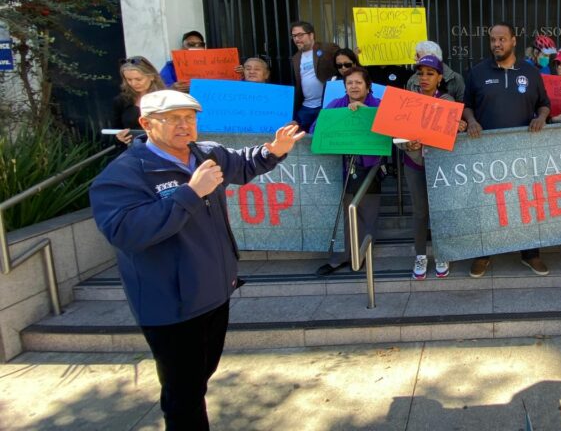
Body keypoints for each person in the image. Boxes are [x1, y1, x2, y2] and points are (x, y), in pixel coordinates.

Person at [89, 90, 304, 430]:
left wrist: (272, 151)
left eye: (189, 118)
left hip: (215, 293)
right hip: (170, 306)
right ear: (146, 124)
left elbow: (243, 163)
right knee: (183, 396)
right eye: (172, 119)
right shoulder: (123, 175)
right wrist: (190, 193)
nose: (183, 126)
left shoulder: (206, 153)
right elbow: (126, 233)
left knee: (199, 379)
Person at [463, 21, 552, 277]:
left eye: (502, 39)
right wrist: (471, 120)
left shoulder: (531, 72)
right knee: (487, 203)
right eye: (493, 40)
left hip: (523, 153)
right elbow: (467, 105)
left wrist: (541, 118)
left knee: (526, 202)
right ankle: (483, 254)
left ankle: (530, 254)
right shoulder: (478, 72)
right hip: (486, 153)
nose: (496, 44)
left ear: (514, 41)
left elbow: (545, 104)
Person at [312, 66, 384, 276]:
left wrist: (364, 114)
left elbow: (389, 132)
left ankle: (361, 255)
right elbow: (317, 129)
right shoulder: (336, 104)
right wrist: (344, 116)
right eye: (349, 83)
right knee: (346, 214)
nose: (353, 86)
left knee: (366, 213)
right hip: (342, 168)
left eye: (358, 82)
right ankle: (339, 258)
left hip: (370, 167)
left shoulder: (378, 106)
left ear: (368, 86)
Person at [400, 55, 467, 279]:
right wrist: (405, 143)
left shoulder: (448, 101)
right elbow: (396, 132)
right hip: (414, 163)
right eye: (421, 73)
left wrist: (460, 127)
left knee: (441, 210)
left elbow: (455, 134)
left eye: (430, 73)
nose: (424, 78)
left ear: (439, 78)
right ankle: (420, 255)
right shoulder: (407, 99)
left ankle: (442, 253)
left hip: (441, 166)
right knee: (420, 212)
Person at [289, 20, 341, 132]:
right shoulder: (295, 58)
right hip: (306, 106)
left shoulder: (328, 48)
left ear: (311, 35)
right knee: (301, 137)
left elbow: (344, 62)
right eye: (294, 36)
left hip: (326, 105)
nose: (297, 39)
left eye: (300, 35)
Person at [113, 56, 165, 145]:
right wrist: (119, 138)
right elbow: (115, 131)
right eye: (129, 80)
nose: (133, 84)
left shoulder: (167, 98)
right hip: (134, 149)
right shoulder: (122, 100)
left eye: (138, 79)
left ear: (152, 77)